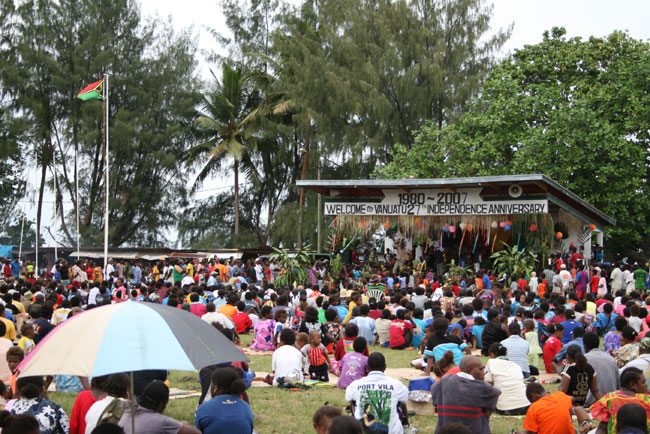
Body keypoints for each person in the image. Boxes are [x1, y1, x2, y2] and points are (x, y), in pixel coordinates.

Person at [431, 355, 500, 434]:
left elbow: (434, 392)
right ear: (470, 370)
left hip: (444, 430)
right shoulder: (481, 386)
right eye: (481, 369)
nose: (484, 373)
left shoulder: (445, 379)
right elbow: (496, 393)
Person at [345, 352, 409, 434]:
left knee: (353, 401)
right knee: (399, 399)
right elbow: (404, 399)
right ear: (385, 367)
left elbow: (348, 398)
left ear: (367, 367)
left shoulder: (356, 384)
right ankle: (406, 426)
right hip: (392, 431)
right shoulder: (397, 385)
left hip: (364, 429)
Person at [119, 380, 199, 434]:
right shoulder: (160, 421)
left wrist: (180, 424)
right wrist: (182, 425)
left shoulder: (129, 411)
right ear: (161, 405)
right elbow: (196, 433)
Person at [195, 366, 253, 434]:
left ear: (216, 386)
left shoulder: (204, 408)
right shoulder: (246, 407)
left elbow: (197, 431)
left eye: (211, 384)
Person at [591, 367, 650, 434]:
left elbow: (602, 428)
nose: (646, 385)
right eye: (643, 382)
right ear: (633, 385)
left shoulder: (609, 399)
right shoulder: (646, 400)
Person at [520, 382, 594, 434]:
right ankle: (587, 424)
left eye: (531, 401)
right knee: (579, 409)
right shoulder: (560, 396)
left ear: (533, 396)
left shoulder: (534, 407)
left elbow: (531, 432)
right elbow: (573, 399)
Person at [484, 343, 530, 415]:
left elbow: (487, 385)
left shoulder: (491, 362)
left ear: (492, 355)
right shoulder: (515, 365)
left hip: (504, 408)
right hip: (525, 406)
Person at [583, 332, 621, 407]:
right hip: (611, 402)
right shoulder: (611, 360)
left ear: (585, 346)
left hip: (590, 404)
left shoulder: (584, 360)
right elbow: (618, 386)